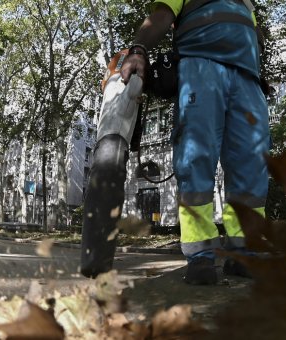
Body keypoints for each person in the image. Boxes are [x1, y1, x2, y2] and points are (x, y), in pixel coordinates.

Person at [116, 0, 270, 285]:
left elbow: (255, 35)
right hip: (200, 66)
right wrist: (138, 50)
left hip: (248, 78)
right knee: (195, 159)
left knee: (253, 163)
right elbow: (161, 16)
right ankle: (200, 255)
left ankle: (245, 251)